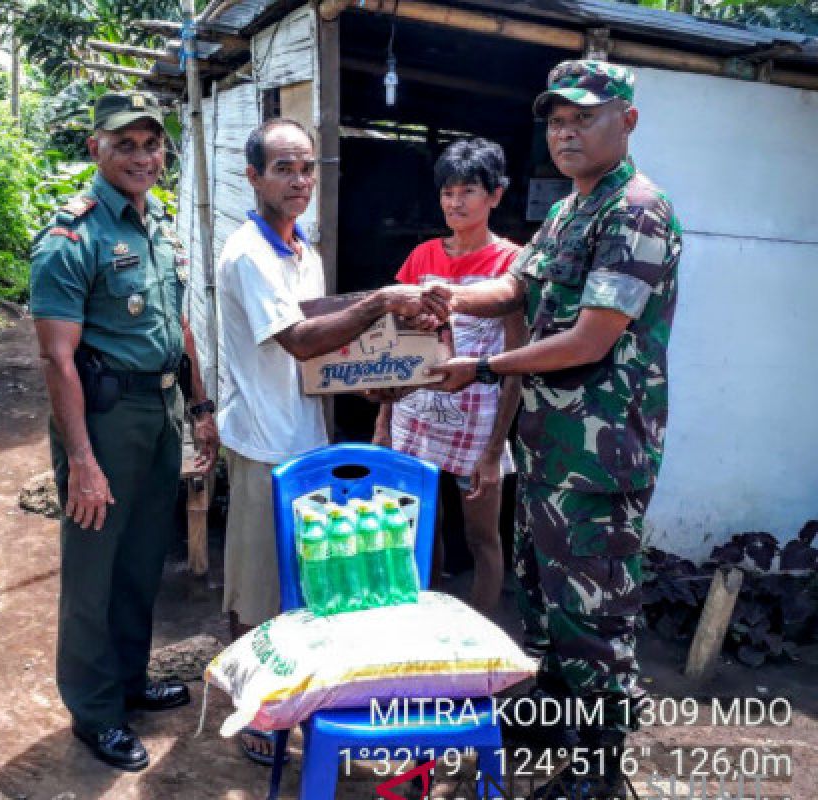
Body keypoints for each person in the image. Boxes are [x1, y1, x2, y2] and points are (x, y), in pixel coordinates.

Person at [417, 61, 682, 800]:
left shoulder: (636, 210)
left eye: (584, 118)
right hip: (548, 450)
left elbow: (590, 338)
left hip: (599, 457)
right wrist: (452, 296)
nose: (567, 132)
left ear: (626, 122)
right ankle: (551, 730)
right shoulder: (570, 211)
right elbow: (519, 286)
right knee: (547, 600)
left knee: (594, 615)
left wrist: (485, 367)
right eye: (558, 121)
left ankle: (599, 774)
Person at [216, 117, 433, 765]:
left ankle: (287, 696)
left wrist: (362, 378)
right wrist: (380, 304)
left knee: (298, 580)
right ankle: (253, 710)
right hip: (261, 442)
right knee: (255, 588)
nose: (299, 179)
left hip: (303, 437)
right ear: (253, 176)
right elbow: (301, 339)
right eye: (283, 167)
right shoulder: (248, 254)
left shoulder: (301, 250)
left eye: (307, 167)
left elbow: (318, 355)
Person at [29, 91, 219, 772]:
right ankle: (95, 710)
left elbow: (178, 324)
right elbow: (56, 357)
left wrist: (199, 408)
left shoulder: (157, 225)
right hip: (105, 419)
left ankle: (131, 680)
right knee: (94, 571)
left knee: (142, 559)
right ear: (95, 149)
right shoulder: (70, 238)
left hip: (162, 411)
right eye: (125, 144)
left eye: (151, 144)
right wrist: (80, 459)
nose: (142, 156)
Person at [372, 138, 525, 614]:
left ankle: (482, 642)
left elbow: (517, 363)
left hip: (478, 424)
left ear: (496, 196)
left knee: (482, 536)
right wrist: (382, 423)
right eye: (447, 192)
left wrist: (496, 448)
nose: (455, 202)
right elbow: (394, 351)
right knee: (419, 528)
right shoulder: (420, 258)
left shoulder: (512, 264)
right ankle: (426, 624)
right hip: (414, 416)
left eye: (468, 191)